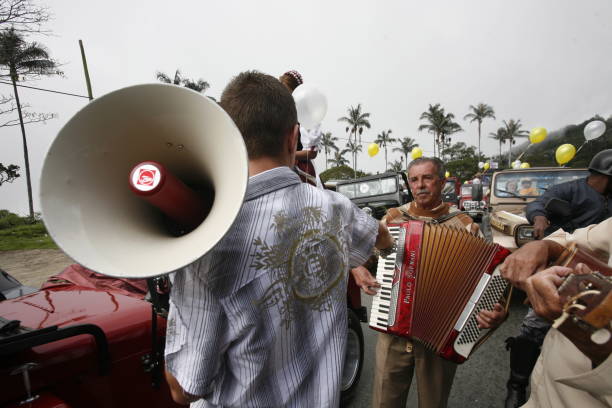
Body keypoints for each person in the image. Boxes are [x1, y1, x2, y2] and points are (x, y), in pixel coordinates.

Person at [163, 71, 394, 407]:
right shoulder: (336, 208)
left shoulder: (206, 242)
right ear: (293, 137)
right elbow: (380, 237)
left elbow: (184, 390)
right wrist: (385, 245)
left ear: (227, 139)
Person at [351, 157, 507, 408]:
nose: (420, 185)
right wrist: (358, 269)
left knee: (434, 403)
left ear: (442, 182)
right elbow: (362, 254)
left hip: (440, 336)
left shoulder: (465, 225)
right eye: (414, 179)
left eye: (427, 178)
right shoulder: (392, 219)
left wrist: (496, 309)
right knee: (384, 401)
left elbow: (487, 279)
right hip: (392, 328)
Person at [502, 149, 612, 407]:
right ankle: (516, 383)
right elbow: (539, 204)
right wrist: (542, 235)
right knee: (533, 326)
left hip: (598, 282)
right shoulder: (571, 190)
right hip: (563, 269)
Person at [527, 149, 612, 240]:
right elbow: (538, 203)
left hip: (600, 247)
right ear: (606, 177)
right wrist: (539, 217)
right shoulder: (568, 189)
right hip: (563, 244)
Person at [279, 70, 322, 186]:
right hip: (283, 167)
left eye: (288, 93)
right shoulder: (282, 114)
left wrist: (286, 155)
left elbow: (311, 153)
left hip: (302, 171)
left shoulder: (307, 115)